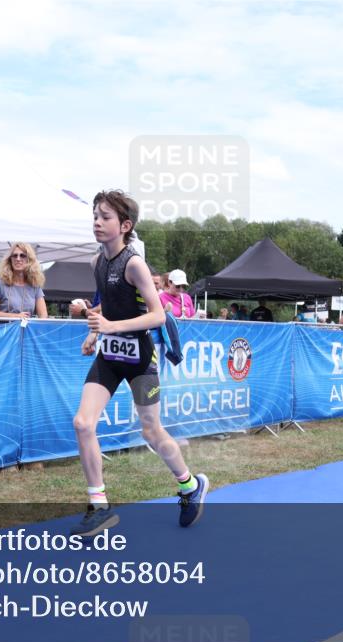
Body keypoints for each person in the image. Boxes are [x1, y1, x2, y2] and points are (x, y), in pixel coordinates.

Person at [72, 190, 208, 536]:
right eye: (95, 216)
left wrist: (110, 327)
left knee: (151, 430)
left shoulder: (135, 264)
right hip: (110, 356)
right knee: (83, 423)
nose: (97, 223)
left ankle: (189, 485)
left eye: (105, 217)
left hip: (140, 360)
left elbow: (159, 315)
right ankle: (99, 506)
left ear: (125, 225)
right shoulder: (96, 262)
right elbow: (108, 304)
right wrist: (94, 332)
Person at [0, 243, 48, 319]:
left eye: (22, 255)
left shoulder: (35, 285)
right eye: (15, 255)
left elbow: (43, 314)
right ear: (10, 259)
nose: (18, 259)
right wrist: (15, 316)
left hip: (25, 330)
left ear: (29, 260)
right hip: (4, 330)